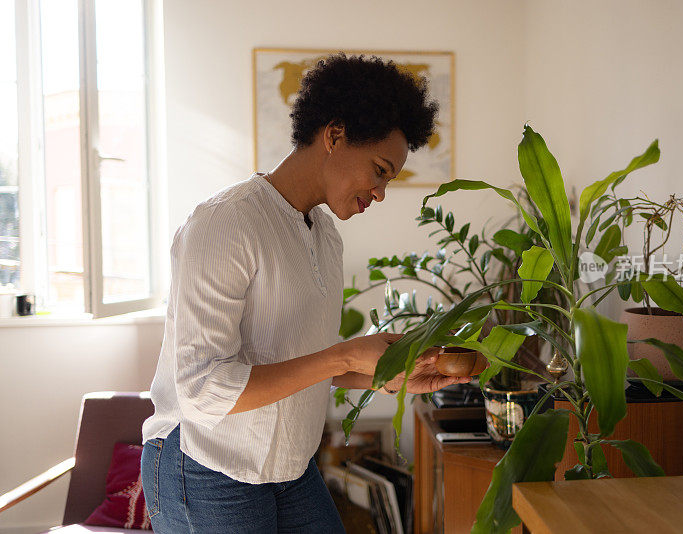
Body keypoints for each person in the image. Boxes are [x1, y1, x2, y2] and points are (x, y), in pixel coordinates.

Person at [140, 53, 473, 533]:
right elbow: (203, 388)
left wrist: (383, 377)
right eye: (380, 169)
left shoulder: (325, 236)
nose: (380, 192)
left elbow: (301, 365)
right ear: (334, 134)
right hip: (205, 461)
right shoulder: (226, 222)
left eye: (389, 178)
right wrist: (344, 357)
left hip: (289, 469)